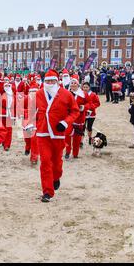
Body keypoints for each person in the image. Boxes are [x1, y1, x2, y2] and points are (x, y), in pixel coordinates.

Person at [34, 70, 79, 202]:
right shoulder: (38, 93)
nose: (49, 83)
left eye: (52, 81)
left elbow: (75, 111)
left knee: (57, 162)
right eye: (47, 81)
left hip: (58, 133)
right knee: (45, 161)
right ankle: (47, 192)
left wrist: (65, 123)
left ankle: (56, 176)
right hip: (42, 133)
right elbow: (31, 111)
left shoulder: (66, 94)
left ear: (57, 81)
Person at [65, 76, 89, 160]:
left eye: (75, 83)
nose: (73, 85)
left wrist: (84, 107)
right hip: (69, 118)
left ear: (78, 84)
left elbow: (91, 104)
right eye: (72, 83)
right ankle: (67, 151)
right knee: (67, 135)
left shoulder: (83, 94)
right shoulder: (66, 93)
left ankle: (75, 153)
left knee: (77, 137)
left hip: (79, 119)